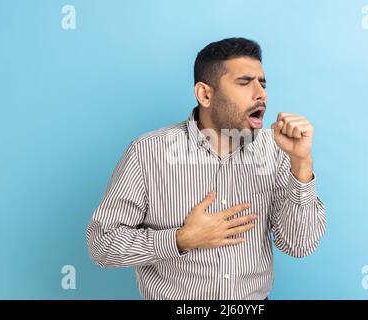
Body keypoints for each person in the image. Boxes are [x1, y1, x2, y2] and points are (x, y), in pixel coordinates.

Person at [87, 37, 326, 300]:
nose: (261, 94)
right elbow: (102, 244)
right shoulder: (147, 153)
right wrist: (181, 239)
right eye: (245, 82)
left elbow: (300, 245)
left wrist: (301, 163)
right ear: (205, 94)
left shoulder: (278, 150)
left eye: (262, 83)